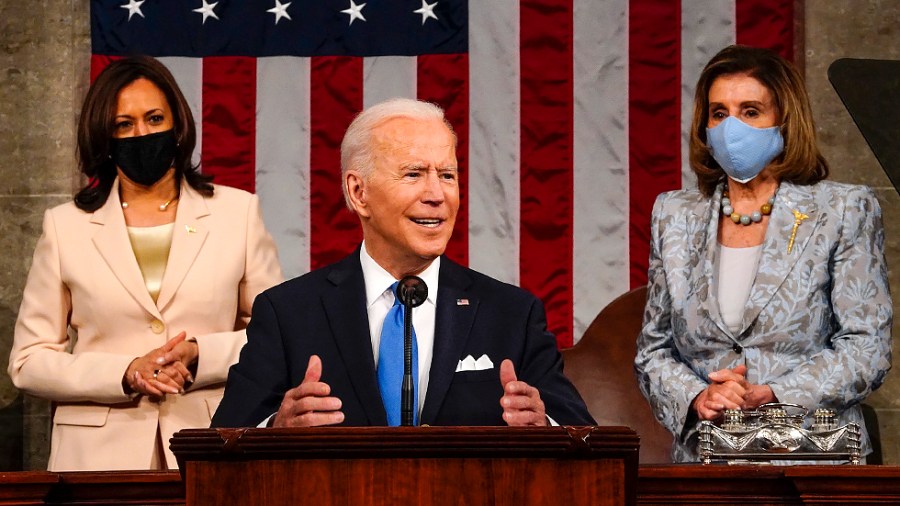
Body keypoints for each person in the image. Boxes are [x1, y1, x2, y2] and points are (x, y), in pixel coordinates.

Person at [211, 98, 593, 429]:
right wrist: (276, 427)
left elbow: (586, 439)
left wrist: (544, 425)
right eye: (414, 174)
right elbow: (221, 443)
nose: (436, 195)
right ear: (359, 193)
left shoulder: (511, 315)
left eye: (447, 175)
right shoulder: (289, 313)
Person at [8, 56, 283, 471]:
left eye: (154, 118)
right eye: (124, 124)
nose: (141, 134)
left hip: (212, 445)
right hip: (96, 460)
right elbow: (29, 362)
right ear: (104, 135)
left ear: (178, 126)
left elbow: (273, 338)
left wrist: (198, 354)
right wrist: (126, 372)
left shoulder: (238, 213)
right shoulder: (65, 227)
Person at [634, 45, 892, 462]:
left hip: (815, 461)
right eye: (719, 113)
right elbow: (654, 351)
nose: (731, 127)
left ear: (785, 121)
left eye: (751, 111)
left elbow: (867, 348)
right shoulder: (673, 215)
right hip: (707, 460)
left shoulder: (844, 209)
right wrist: (701, 397)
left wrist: (773, 394)